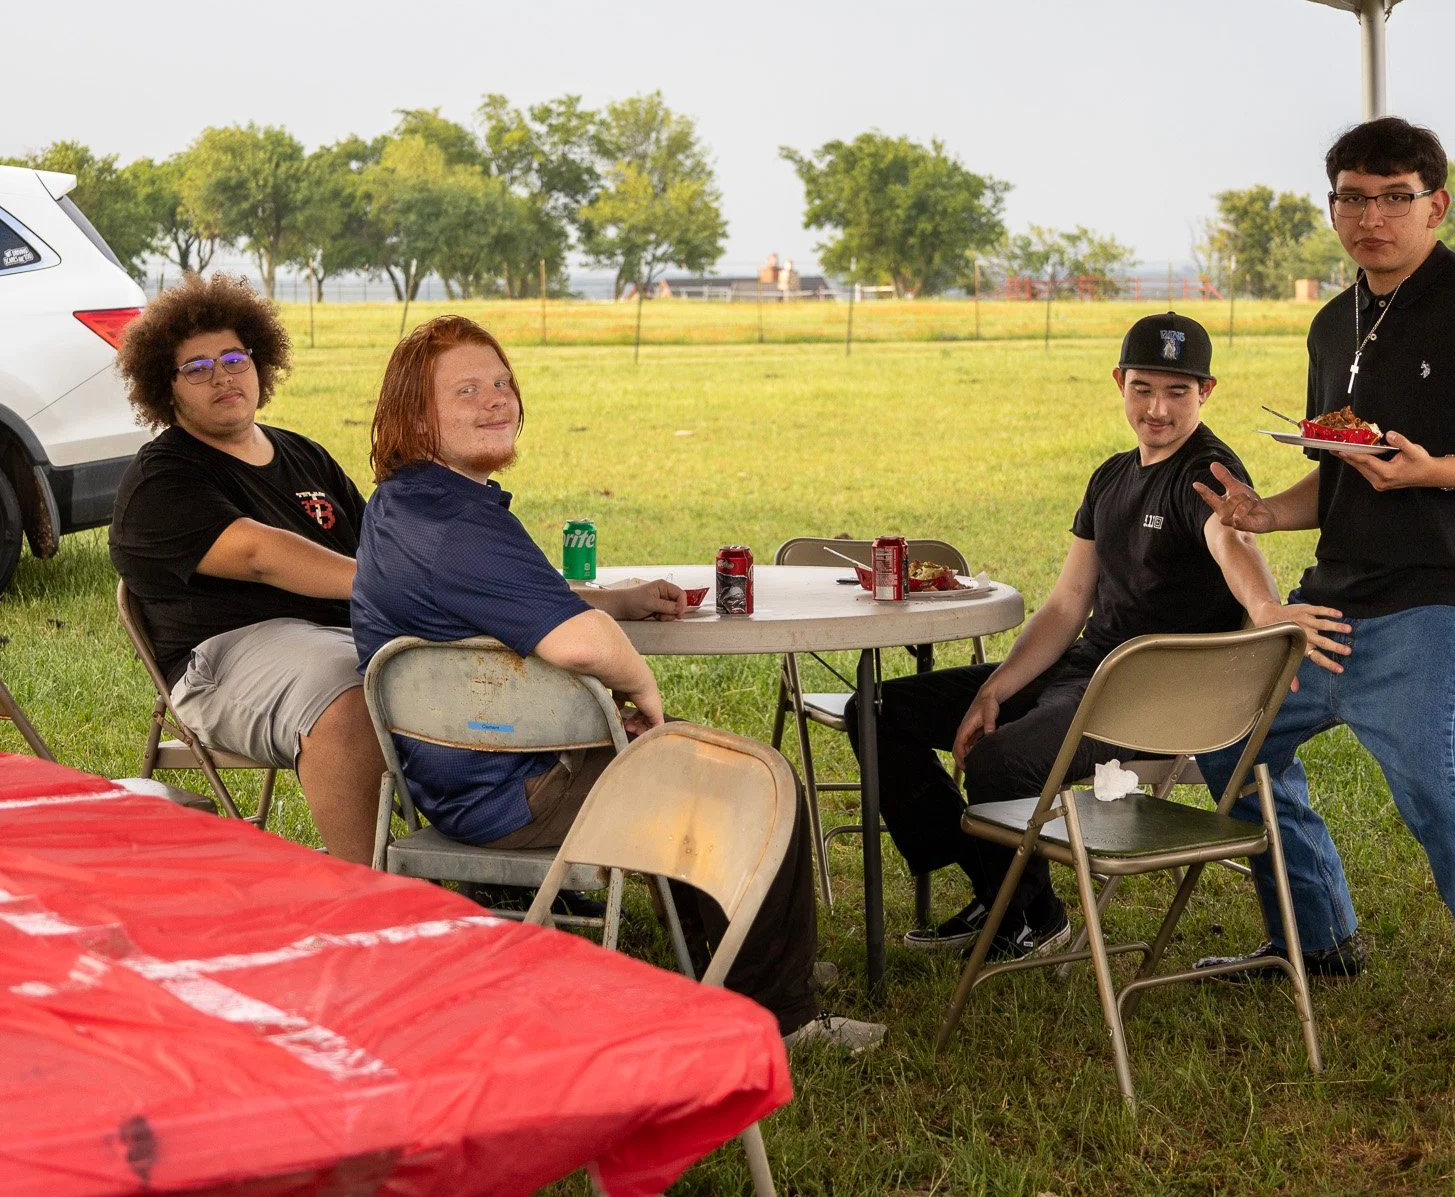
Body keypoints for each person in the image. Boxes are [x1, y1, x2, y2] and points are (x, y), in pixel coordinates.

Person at [349, 314, 883, 1053]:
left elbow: (510, 609)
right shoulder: (460, 527)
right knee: (761, 782)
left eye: (502, 382)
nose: (496, 399)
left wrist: (615, 602)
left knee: (693, 772)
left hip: (460, 773)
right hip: (513, 790)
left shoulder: (408, 504)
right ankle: (780, 1019)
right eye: (466, 389)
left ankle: (734, 961)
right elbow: (579, 641)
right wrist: (644, 696)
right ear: (416, 415)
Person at [1193, 117, 1455, 1071]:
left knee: (1442, 788)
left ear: (1435, 205)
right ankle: (1318, 938)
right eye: (1354, 197)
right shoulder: (1336, 322)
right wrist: (1264, 513)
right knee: (1227, 744)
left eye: (1394, 197)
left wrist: (1436, 472)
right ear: (1333, 207)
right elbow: (1341, 471)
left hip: (1443, 597)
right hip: (1333, 600)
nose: (1372, 216)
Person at [846, 312, 1351, 960]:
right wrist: (995, 688)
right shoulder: (1111, 475)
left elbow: (1232, 537)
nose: (1158, 408)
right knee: (879, 712)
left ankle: (1029, 916)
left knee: (1001, 758)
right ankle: (991, 882)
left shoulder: (1208, 471)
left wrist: (1265, 607)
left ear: (1207, 390)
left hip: (1149, 694)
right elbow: (1065, 605)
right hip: (1085, 666)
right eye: (1143, 388)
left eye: (1177, 391)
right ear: (1119, 382)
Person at [108, 273, 384, 863]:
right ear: (167, 388)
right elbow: (260, 555)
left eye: (234, 357)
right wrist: (389, 586)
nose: (223, 375)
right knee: (349, 692)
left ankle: (494, 862)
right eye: (197, 367)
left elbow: (378, 547)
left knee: (448, 672)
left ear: (261, 363)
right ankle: (369, 891)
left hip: (342, 635)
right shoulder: (162, 478)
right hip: (224, 657)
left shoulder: (306, 455)